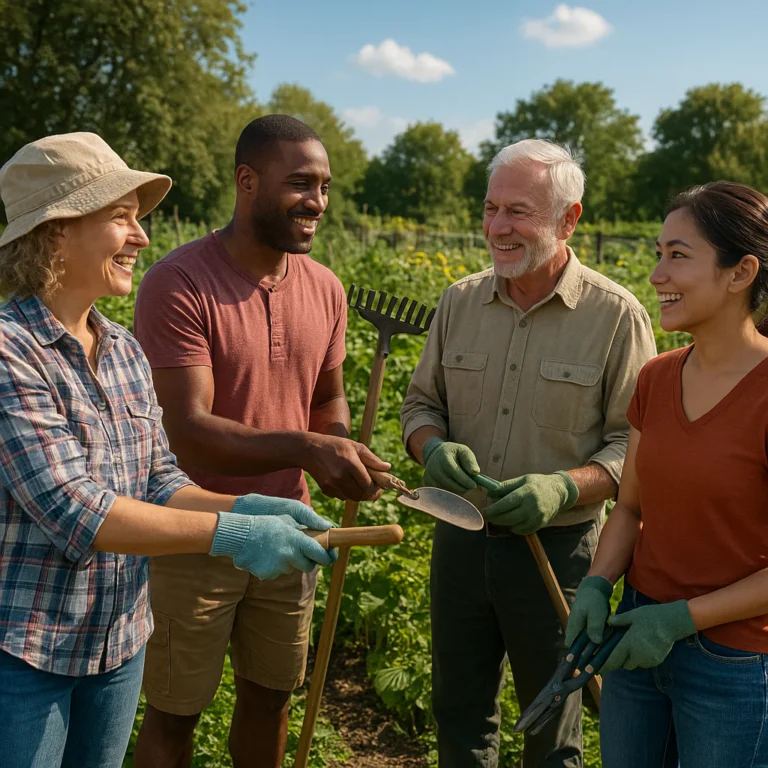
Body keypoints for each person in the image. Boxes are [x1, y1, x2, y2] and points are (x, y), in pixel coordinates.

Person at [0, 132, 337, 768]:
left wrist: (254, 507)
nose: (141, 238)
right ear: (56, 231)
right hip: (30, 649)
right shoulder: (9, 353)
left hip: (117, 640)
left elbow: (156, 477)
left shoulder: (122, 348)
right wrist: (229, 535)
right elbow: (78, 508)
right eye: (120, 218)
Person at [132, 114, 389, 768]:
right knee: (173, 711)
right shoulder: (180, 282)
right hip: (197, 528)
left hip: (291, 522)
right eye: (300, 183)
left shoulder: (325, 288)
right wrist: (307, 449)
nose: (319, 202)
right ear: (247, 181)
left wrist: (337, 449)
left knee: (271, 697)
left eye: (326, 186)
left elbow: (327, 398)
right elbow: (187, 426)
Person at [400, 139, 657, 767]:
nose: (498, 228)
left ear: (568, 219)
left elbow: (639, 446)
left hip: (561, 555)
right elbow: (419, 406)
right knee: (459, 716)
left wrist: (565, 487)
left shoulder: (616, 317)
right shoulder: (460, 301)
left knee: (551, 729)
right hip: (459, 539)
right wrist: (430, 448)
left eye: (518, 211)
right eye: (491, 209)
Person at [566, 181, 768, 767]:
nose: (656, 274)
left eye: (678, 256)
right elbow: (630, 507)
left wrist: (682, 619)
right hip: (636, 638)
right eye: (659, 253)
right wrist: (600, 584)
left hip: (734, 663)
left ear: (741, 272)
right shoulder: (656, 377)